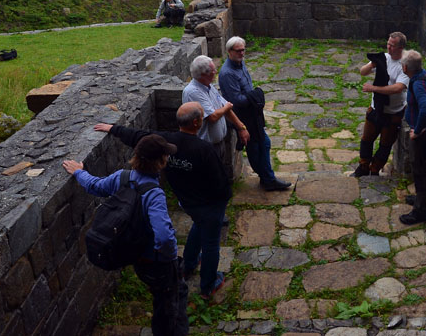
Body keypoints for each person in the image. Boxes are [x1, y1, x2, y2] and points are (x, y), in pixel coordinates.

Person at [93, 102, 231, 299]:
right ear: (197, 123)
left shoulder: (165, 141)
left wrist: (113, 129)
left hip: (187, 201)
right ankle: (208, 285)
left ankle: (188, 264)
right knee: (211, 243)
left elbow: (137, 136)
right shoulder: (204, 149)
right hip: (208, 204)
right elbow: (221, 183)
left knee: (199, 226)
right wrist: (222, 202)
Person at [61, 135, 188, 336]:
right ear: (160, 161)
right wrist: (169, 258)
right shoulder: (154, 194)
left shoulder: (122, 177)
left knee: (164, 297)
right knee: (170, 304)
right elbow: (163, 237)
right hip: (157, 263)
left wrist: (79, 172)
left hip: (137, 257)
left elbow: (95, 185)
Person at [218, 36, 291, 191]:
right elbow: (235, 100)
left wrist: (253, 96)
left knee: (262, 144)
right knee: (258, 145)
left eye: (243, 49)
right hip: (243, 116)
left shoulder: (240, 63)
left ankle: (266, 177)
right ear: (229, 51)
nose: (242, 53)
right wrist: (255, 96)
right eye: (238, 51)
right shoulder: (227, 73)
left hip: (252, 113)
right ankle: (267, 179)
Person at [182, 55, 250, 180]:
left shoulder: (208, 86)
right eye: (213, 71)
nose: (216, 72)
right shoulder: (193, 92)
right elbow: (212, 117)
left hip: (217, 144)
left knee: (218, 175)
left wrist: (241, 127)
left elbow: (225, 108)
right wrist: (226, 107)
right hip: (205, 146)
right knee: (208, 179)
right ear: (203, 74)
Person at [353, 31, 410, 177]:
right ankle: (363, 167)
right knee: (366, 140)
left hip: (393, 113)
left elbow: (398, 88)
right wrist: (372, 64)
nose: (389, 48)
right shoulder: (383, 57)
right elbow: (362, 72)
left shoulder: (406, 65)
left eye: (392, 46)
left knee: (385, 145)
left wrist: (373, 88)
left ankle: (375, 169)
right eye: (388, 44)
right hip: (376, 108)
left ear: (401, 48)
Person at [399, 50, 426, 225]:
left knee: (420, 169)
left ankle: (420, 212)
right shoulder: (424, 74)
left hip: (423, 135)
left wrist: (418, 129)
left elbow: (425, 109)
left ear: (406, 67)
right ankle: (424, 199)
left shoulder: (418, 85)